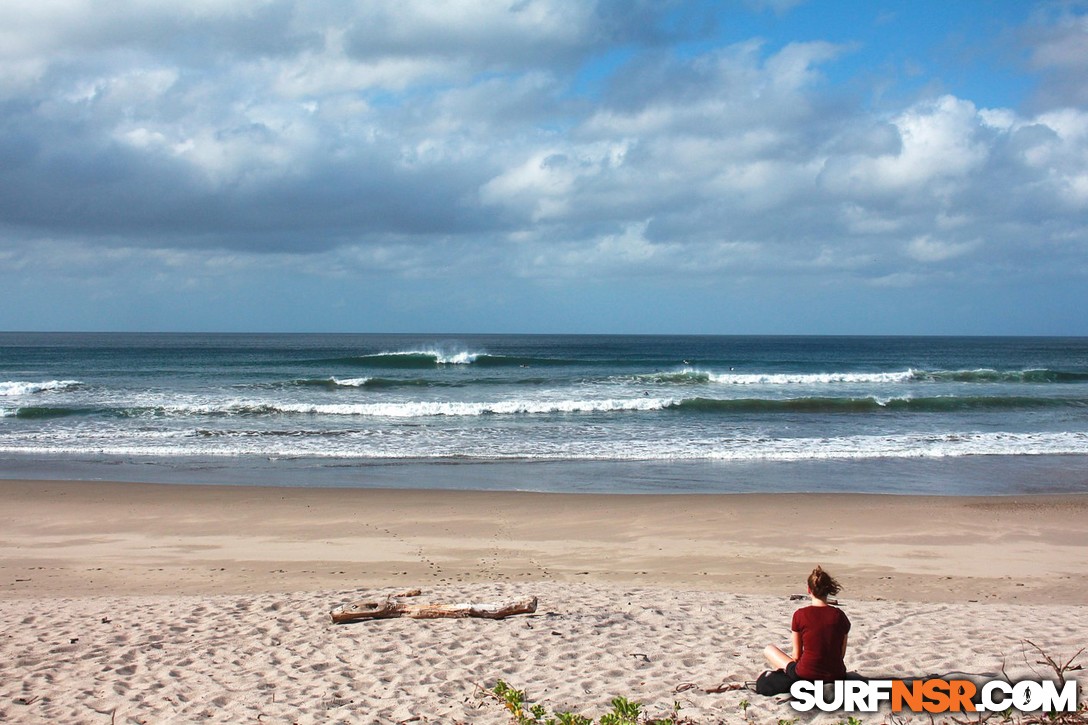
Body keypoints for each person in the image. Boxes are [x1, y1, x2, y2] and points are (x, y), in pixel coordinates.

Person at [761, 566, 851, 690]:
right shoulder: (840, 616)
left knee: (769, 649)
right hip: (836, 675)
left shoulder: (800, 615)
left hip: (806, 674)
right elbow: (841, 654)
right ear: (828, 590)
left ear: (809, 590)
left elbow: (796, 656)